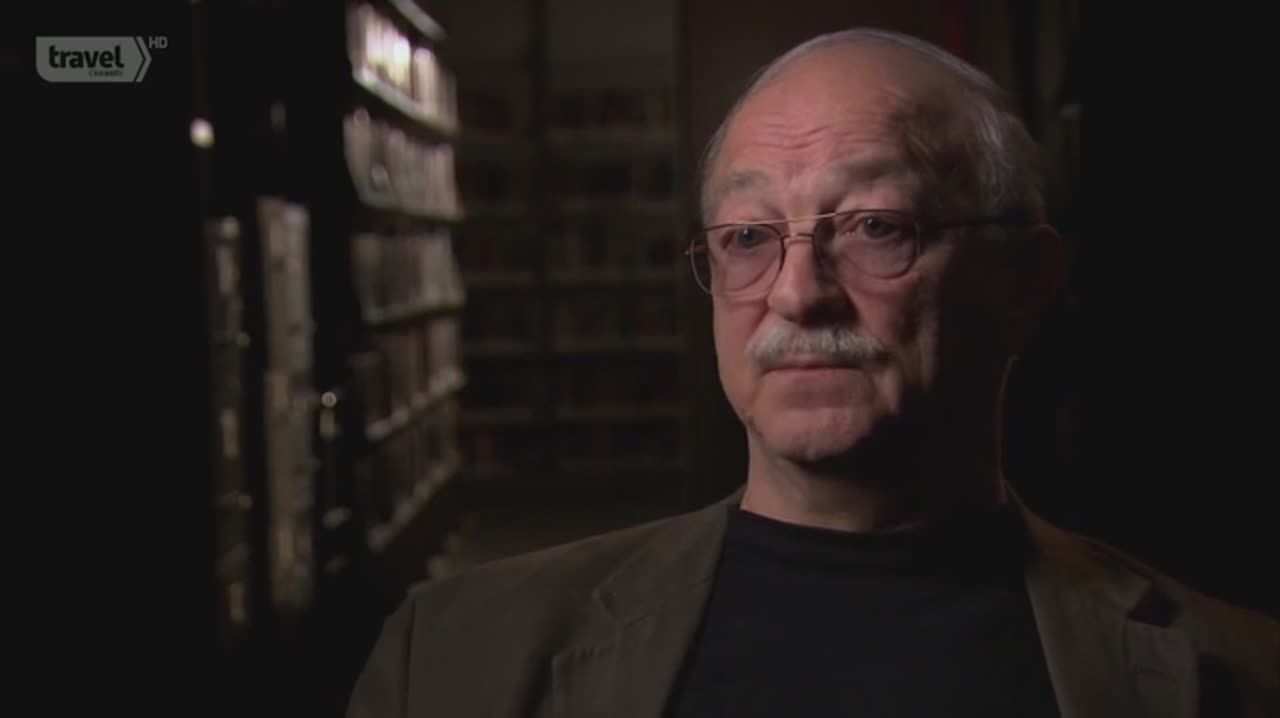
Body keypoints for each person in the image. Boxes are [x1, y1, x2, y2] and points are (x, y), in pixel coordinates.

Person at [346, 28, 1279, 718]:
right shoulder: (455, 659)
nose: (796, 295)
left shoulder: (1235, 677)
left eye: (875, 227)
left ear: (1024, 284)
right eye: (749, 237)